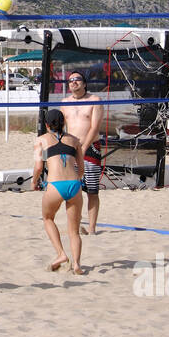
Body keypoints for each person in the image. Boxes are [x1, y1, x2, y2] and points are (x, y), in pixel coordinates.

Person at [32, 108, 85, 273]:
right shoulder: (75, 140)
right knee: (74, 230)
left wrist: (34, 182)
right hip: (74, 185)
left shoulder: (41, 140)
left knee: (48, 218)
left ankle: (61, 254)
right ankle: (76, 264)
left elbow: (39, 167)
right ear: (64, 123)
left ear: (46, 125)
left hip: (55, 185)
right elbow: (81, 168)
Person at [61, 70, 106, 235]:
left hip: (90, 148)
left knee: (92, 190)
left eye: (77, 79)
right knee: (72, 191)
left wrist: (84, 147)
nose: (74, 82)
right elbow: (62, 128)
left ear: (84, 83)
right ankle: (76, 224)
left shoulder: (95, 100)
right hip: (71, 149)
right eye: (71, 80)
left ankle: (92, 228)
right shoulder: (65, 102)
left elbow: (95, 127)